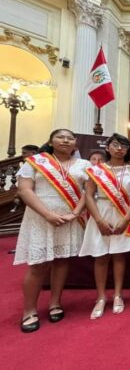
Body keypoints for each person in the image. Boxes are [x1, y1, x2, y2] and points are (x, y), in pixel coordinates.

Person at [14, 129, 90, 333]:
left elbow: (88, 192)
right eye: (60, 137)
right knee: (38, 265)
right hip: (41, 218)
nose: (65, 140)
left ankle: (55, 303)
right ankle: (29, 310)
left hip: (68, 218)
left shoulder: (84, 165)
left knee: (62, 261)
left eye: (70, 138)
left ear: (75, 143)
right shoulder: (36, 162)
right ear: (50, 141)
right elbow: (24, 190)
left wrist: (75, 213)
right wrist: (47, 214)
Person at [80, 133, 130, 319]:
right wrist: (99, 220)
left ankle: (117, 295)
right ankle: (100, 297)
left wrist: (126, 219)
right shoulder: (97, 170)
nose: (119, 148)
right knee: (100, 257)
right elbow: (89, 195)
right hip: (101, 212)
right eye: (115, 145)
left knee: (118, 255)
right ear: (107, 147)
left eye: (123, 145)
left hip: (122, 214)